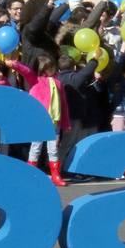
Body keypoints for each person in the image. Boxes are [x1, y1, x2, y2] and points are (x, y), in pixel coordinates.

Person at [26, 56, 70, 186]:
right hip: (40, 120)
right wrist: (14, 63)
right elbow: (26, 71)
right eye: (50, 67)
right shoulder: (36, 81)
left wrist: (65, 122)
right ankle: (31, 174)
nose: (54, 69)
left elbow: (63, 104)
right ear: (43, 69)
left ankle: (56, 175)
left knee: (53, 149)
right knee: (36, 147)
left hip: (54, 121)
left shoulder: (58, 83)